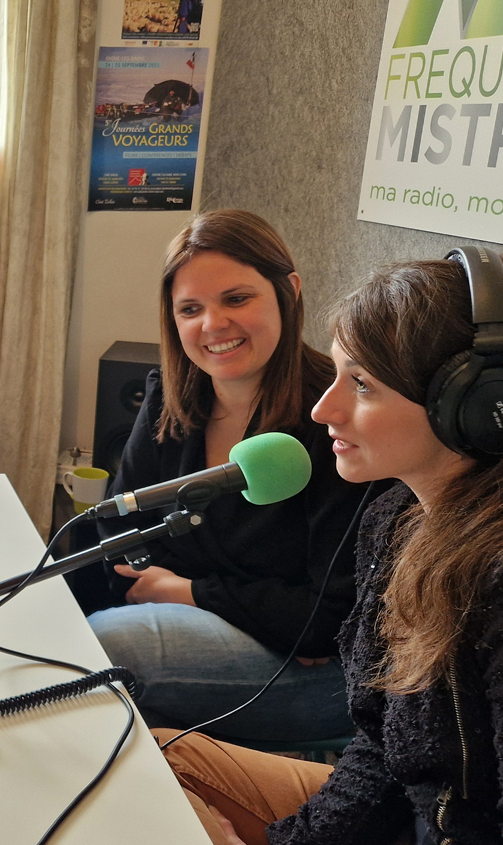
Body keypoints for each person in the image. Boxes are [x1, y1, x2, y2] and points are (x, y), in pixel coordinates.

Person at [158, 250, 503, 845]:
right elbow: (384, 754)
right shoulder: (393, 518)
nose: (323, 409)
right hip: (405, 813)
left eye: (361, 384)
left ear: (477, 408)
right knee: (156, 761)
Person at [64, 210, 372, 742]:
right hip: (245, 631)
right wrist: (250, 601)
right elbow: (117, 535)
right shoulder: (169, 399)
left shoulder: (334, 418)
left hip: (307, 672)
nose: (213, 325)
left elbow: (328, 618)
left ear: (289, 292)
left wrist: (185, 591)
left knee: (113, 646)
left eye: (236, 299)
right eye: (190, 309)